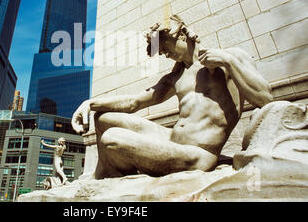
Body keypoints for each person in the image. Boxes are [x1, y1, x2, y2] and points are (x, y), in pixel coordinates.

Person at [71, 15, 273, 179]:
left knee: (111, 138)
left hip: (198, 153)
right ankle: (102, 176)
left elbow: (265, 99)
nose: (164, 53)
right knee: (103, 118)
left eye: (164, 45)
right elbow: (135, 102)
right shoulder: (176, 76)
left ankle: (106, 178)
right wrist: (90, 103)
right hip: (170, 139)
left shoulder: (228, 57)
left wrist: (229, 62)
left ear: (182, 35)